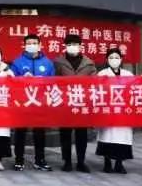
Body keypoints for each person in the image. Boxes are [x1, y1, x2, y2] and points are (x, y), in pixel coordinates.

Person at [10, 34, 55, 171]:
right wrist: (22, 79)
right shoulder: (17, 62)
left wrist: (42, 82)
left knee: (40, 133)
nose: (32, 45)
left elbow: (52, 82)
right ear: (24, 45)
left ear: (40, 45)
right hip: (23, 102)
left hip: (40, 102)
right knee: (20, 132)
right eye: (29, 43)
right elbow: (11, 81)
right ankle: (19, 160)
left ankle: (40, 160)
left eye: (34, 43)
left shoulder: (48, 63)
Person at [53, 34, 97, 173]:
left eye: (75, 44)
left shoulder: (88, 63)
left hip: (82, 103)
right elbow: (53, 81)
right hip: (65, 103)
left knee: (81, 134)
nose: (73, 47)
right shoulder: (59, 62)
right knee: (65, 133)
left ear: (80, 46)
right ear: (65, 46)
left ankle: (81, 162)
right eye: (70, 44)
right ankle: (67, 161)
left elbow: (94, 82)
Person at [96, 48, 134, 174]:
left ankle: (119, 163)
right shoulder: (102, 74)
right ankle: (107, 163)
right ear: (107, 60)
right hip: (108, 110)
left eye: (117, 57)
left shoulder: (128, 75)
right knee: (107, 136)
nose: (114, 60)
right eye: (111, 58)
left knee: (122, 137)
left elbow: (135, 90)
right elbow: (97, 91)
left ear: (121, 59)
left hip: (123, 111)